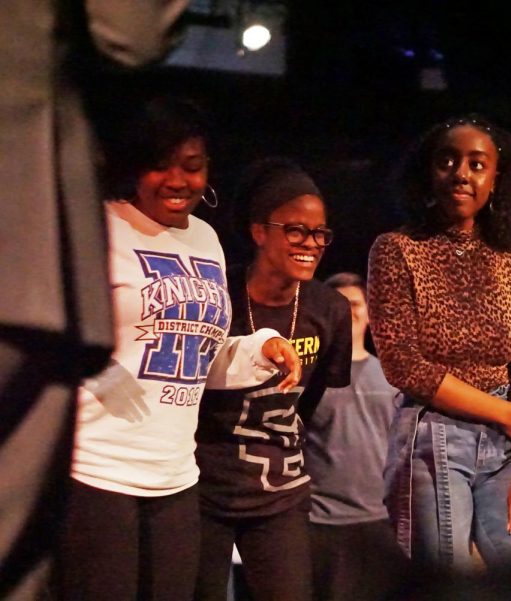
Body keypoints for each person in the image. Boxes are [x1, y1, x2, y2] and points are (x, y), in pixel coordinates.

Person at [57, 98, 302, 601]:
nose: (178, 180)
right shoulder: (98, 227)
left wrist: (262, 349)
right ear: (132, 168)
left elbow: (200, 358)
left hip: (176, 478)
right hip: (96, 471)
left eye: (192, 167)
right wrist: (107, 382)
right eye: (159, 166)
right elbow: (58, 341)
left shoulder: (207, 240)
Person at [0, 2, 190, 598]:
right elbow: (130, 33)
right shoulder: (117, 226)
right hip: (18, 237)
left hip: (172, 471)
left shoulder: (204, 241)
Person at [367, 114, 511, 576]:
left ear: (496, 179)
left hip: (508, 445)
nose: (460, 173)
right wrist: (508, 415)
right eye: (448, 161)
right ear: (427, 172)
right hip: (433, 438)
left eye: (477, 164)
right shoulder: (397, 249)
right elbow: (404, 365)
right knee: (445, 588)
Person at [194, 158, 352, 601]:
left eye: (320, 233)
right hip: (205, 489)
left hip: (280, 494)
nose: (311, 243)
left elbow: (309, 401)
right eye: (296, 230)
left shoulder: (330, 309)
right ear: (259, 231)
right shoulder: (216, 294)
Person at [304, 272, 406, 601]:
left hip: (381, 522)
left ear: (370, 312)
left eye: (356, 303)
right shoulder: (305, 380)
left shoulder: (395, 378)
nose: (349, 311)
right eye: (339, 305)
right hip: (320, 522)